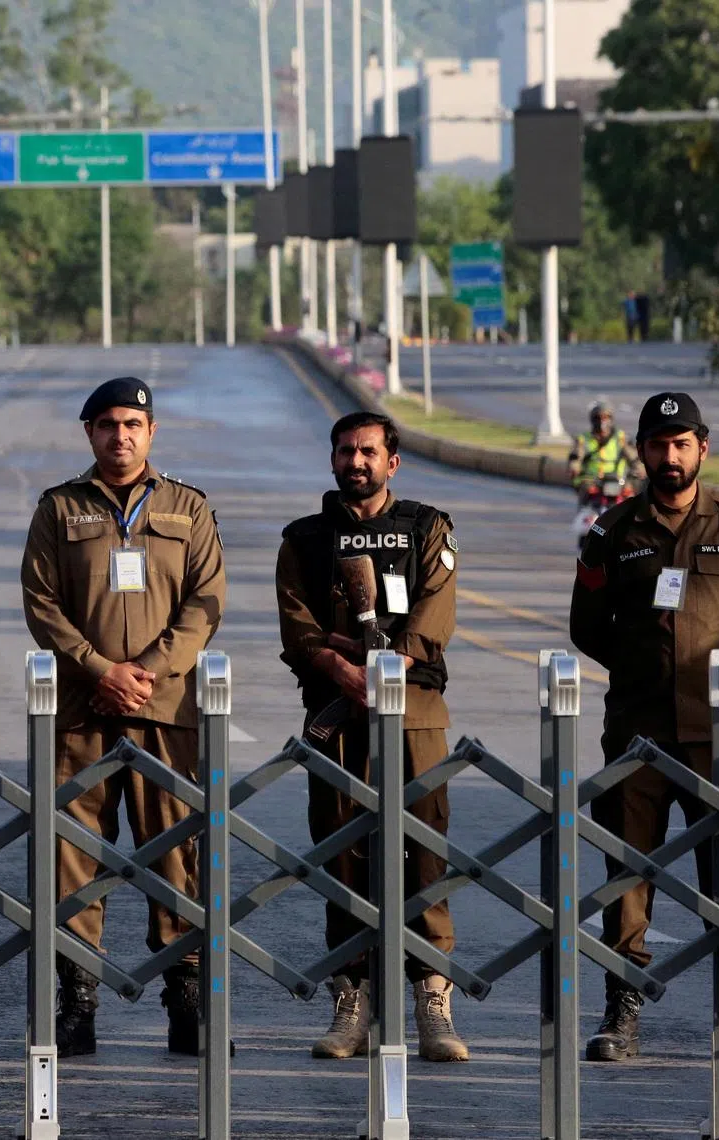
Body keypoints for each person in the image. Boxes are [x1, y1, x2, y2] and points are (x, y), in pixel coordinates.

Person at [570, 391, 719, 1064]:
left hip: (717, 732)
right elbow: (587, 626)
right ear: (641, 451)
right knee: (628, 873)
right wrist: (646, 672)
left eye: (682, 444)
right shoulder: (612, 533)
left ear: (702, 449)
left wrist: (714, 676)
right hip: (637, 732)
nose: (670, 456)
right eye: (659, 444)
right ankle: (622, 1012)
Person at [20, 377, 225, 1058]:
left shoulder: (187, 507)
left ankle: (186, 1002)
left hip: (165, 713)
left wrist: (150, 673)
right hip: (83, 709)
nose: (121, 436)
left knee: (176, 855)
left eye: (134, 423)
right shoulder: (59, 508)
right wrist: (99, 669)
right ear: (89, 432)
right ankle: (77, 1003)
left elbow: (205, 603)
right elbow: (41, 602)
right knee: (74, 858)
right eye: (107, 424)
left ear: (152, 431)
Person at [275, 411, 467, 1064]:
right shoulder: (304, 539)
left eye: (369, 452)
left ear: (393, 463)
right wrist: (340, 668)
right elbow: (296, 625)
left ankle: (432, 998)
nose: (356, 461)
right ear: (332, 459)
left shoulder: (427, 527)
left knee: (424, 855)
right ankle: (350, 998)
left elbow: (435, 611)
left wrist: (388, 668)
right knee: (342, 855)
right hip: (336, 715)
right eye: (345, 451)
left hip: (413, 715)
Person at [568, 400, 641, 502]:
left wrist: (637, 472)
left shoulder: (621, 438)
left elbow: (634, 458)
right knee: (587, 509)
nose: (602, 421)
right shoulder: (583, 439)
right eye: (598, 418)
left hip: (618, 482)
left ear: (611, 419)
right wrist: (574, 467)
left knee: (631, 503)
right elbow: (575, 456)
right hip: (592, 482)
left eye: (605, 417)